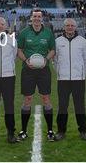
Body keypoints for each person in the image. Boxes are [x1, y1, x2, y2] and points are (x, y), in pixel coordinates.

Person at [16, 9, 56, 141]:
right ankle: (23, 130)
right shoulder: (23, 33)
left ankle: (50, 130)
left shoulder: (48, 33)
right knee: (27, 99)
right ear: (31, 18)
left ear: (42, 18)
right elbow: (19, 50)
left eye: (39, 16)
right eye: (35, 16)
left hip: (44, 70)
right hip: (28, 70)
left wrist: (46, 60)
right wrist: (26, 60)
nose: (37, 18)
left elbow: (52, 50)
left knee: (45, 98)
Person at [53, 18, 86, 141]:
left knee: (80, 106)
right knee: (62, 106)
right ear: (64, 27)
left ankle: (83, 130)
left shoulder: (82, 41)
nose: (70, 27)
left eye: (72, 25)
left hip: (78, 80)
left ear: (75, 27)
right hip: (63, 80)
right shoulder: (57, 41)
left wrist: (81, 74)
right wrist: (60, 72)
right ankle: (61, 131)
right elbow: (55, 60)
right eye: (67, 25)